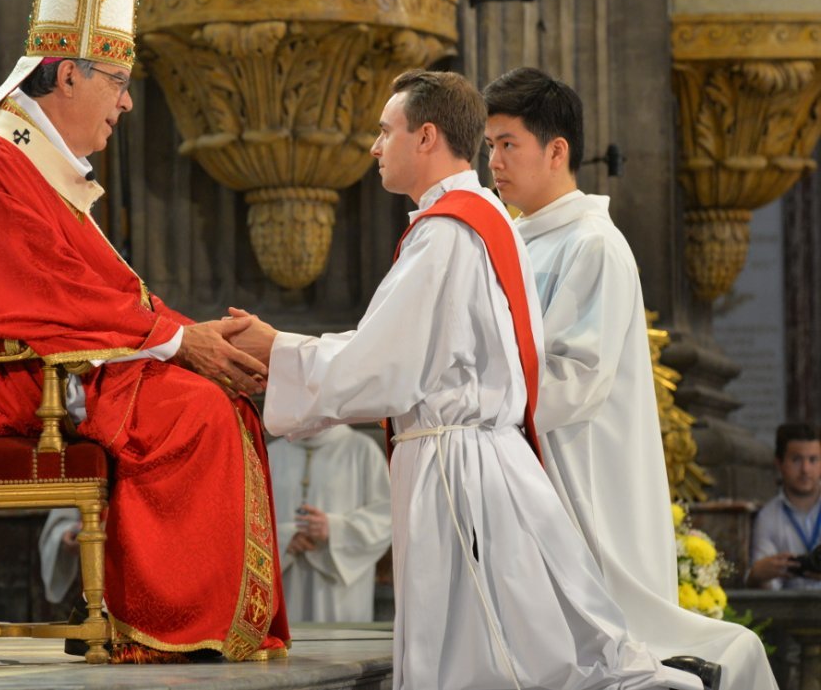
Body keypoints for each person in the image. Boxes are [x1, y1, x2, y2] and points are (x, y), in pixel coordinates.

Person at [230, 69, 702, 690]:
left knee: (477, 662)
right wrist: (292, 352)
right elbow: (401, 351)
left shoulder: (449, 233)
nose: (374, 147)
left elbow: (385, 370)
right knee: (506, 652)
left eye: (384, 131)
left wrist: (279, 351)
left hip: (455, 470)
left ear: (425, 137)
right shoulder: (483, 218)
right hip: (476, 458)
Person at [0, 0, 289, 664]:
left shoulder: (27, 160)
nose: (127, 101)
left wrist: (185, 334)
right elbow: (44, 297)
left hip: (36, 362)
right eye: (117, 81)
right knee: (195, 409)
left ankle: (194, 619)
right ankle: (164, 624)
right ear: (68, 74)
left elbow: (94, 289)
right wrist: (176, 340)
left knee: (208, 394)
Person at [483, 65, 778, 690]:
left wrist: (471, 391)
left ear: (556, 150)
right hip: (529, 476)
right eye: (489, 146)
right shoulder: (516, 241)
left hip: (581, 481)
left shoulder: (592, 245)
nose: (495, 162)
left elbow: (573, 379)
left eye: (507, 144)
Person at [267, 426, 390, 623]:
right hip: (286, 580)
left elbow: (387, 515)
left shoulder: (361, 449)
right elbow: (247, 522)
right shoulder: (271, 455)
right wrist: (282, 540)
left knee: (340, 650)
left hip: (338, 589)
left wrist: (334, 529)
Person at [748, 423, 821, 590]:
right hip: (788, 611)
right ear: (779, 463)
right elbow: (769, 589)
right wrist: (758, 575)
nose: (805, 469)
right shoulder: (767, 517)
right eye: (796, 459)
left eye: (813, 459)